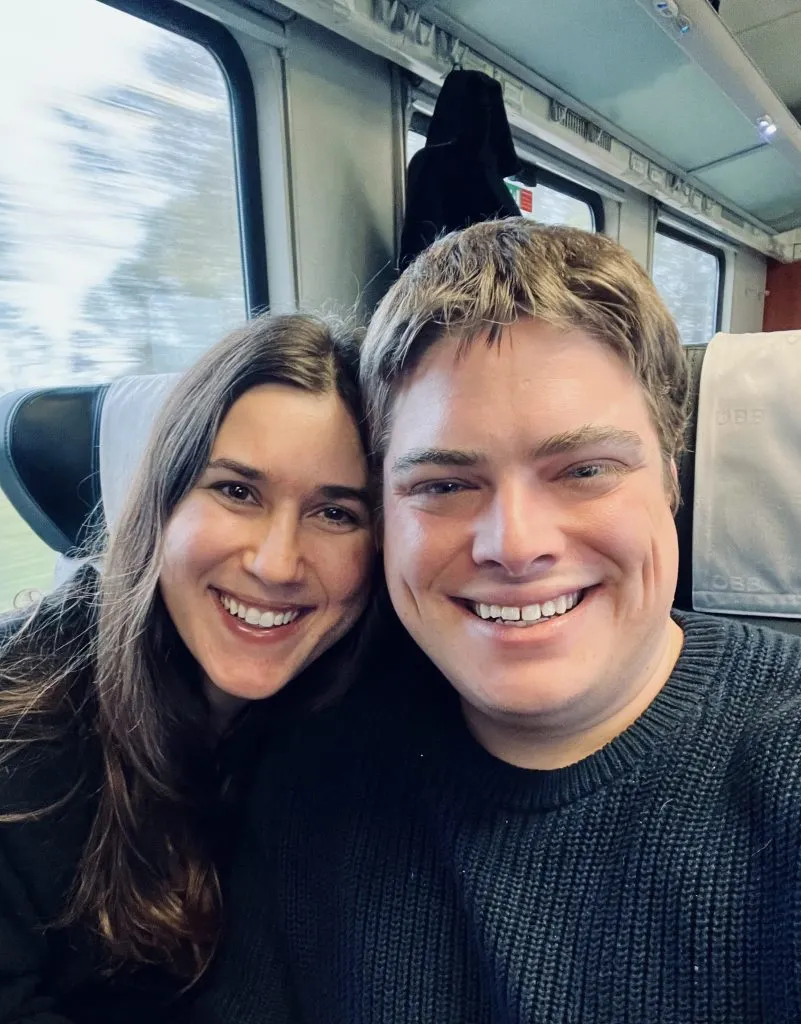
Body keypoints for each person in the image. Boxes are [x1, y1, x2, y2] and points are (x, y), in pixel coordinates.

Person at [196, 220, 801, 1023]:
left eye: (583, 471)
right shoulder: (316, 768)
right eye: (444, 485)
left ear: (670, 475)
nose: (513, 546)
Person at [0, 313, 375, 1022]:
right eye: (236, 491)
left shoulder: (377, 724)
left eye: (335, 513)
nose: (276, 563)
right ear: (161, 501)